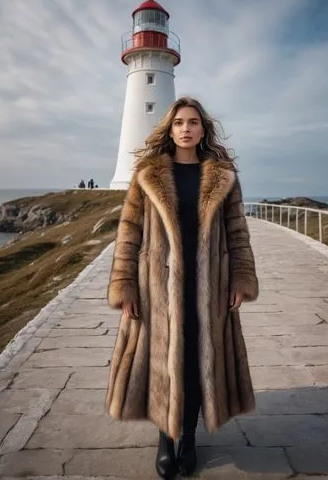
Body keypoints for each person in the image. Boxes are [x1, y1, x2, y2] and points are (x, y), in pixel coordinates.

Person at [105, 96, 259, 479]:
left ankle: (187, 437)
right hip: (157, 286)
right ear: (170, 129)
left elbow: (238, 233)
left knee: (194, 362)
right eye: (178, 122)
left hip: (209, 286)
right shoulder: (149, 175)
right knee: (162, 362)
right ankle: (164, 438)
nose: (186, 128)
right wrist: (124, 286)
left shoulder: (222, 177)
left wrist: (241, 277)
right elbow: (130, 233)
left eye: (193, 122)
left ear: (203, 129)